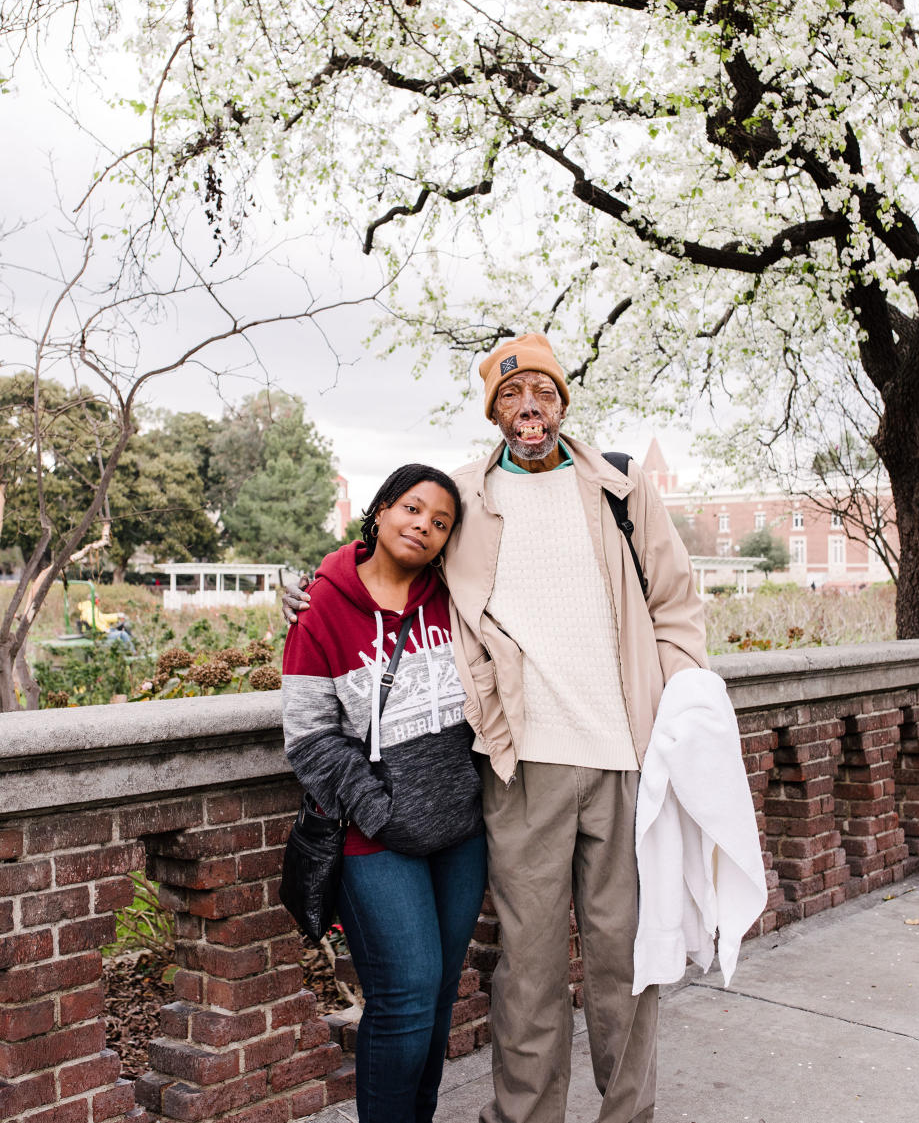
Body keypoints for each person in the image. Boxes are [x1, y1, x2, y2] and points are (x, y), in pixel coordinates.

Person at [285, 335, 707, 1123]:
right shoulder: (466, 501)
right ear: (495, 412)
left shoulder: (620, 486)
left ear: (562, 402)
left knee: (627, 962)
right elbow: (392, 555)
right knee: (530, 969)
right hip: (520, 770)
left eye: (543, 393)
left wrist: (677, 716)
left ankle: (628, 1113)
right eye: (512, 398)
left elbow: (678, 607)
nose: (529, 408)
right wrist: (316, 586)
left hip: (625, 762)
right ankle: (523, 1116)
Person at [281, 463, 486, 1123]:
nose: (423, 525)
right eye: (412, 508)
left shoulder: (454, 597)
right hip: (376, 839)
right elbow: (309, 739)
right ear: (381, 509)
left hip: (460, 835)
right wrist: (379, 810)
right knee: (404, 993)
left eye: (440, 521)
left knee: (436, 996)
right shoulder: (321, 608)